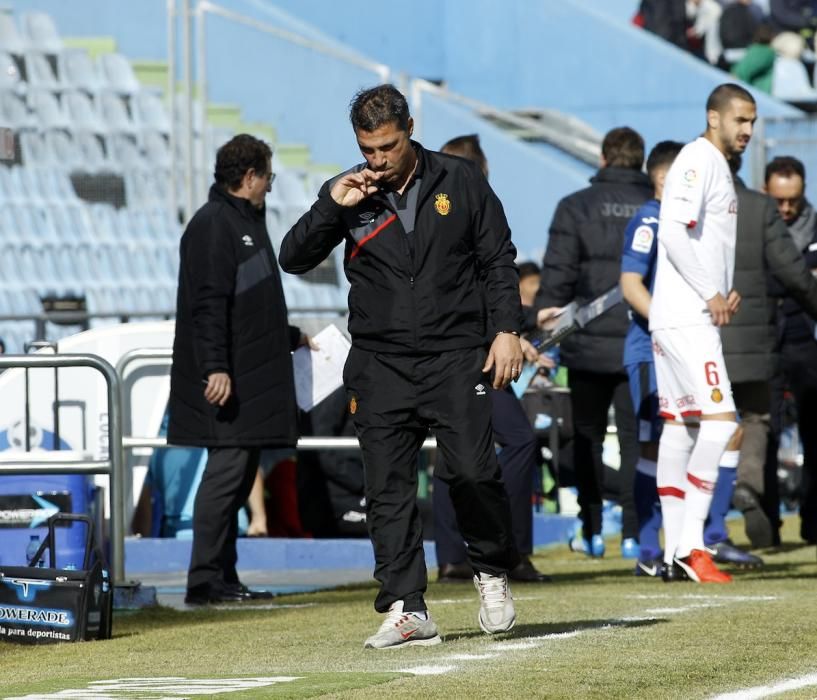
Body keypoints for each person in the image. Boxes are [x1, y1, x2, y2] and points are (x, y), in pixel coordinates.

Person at [279, 85, 523, 649]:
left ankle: (490, 571)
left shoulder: (460, 180)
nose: (378, 161)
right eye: (368, 149)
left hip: (457, 355)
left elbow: (497, 260)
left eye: (387, 147)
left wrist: (507, 330)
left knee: (471, 473)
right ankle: (407, 606)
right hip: (381, 363)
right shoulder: (346, 192)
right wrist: (329, 207)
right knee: (386, 489)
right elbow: (293, 258)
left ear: (409, 128)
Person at [168, 134, 309, 605]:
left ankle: (223, 578)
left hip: (246, 378)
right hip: (228, 382)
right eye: (268, 176)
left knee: (236, 478)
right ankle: (204, 581)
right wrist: (215, 368)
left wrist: (288, 337)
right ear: (249, 177)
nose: (270, 185)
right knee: (226, 479)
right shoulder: (214, 226)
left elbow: (247, 308)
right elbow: (207, 306)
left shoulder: (242, 222)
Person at [432, 134, 551, 585]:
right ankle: (512, 550)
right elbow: (487, 282)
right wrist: (509, 335)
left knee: (450, 451)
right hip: (472, 351)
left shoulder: (435, 210)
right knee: (518, 439)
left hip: (450, 348)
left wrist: (530, 319)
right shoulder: (470, 206)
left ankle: (451, 556)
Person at [650, 83, 757, 584]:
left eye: (753, 122)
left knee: (681, 426)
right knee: (720, 424)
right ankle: (694, 546)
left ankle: (673, 551)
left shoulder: (714, 164)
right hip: (689, 316)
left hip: (677, 313)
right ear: (715, 117)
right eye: (741, 120)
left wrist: (723, 287)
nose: (748, 131)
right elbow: (672, 232)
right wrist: (712, 291)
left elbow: (702, 240)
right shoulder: (698, 159)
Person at [538, 126, 651, 559]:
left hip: (586, 343)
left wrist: (544, 323)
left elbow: (557, 280)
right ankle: (633, 532)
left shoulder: (574, 207)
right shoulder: (654, 207)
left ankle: (591, 530)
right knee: (634, 439)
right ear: (640, 162)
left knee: (586, 438)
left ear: (602, 159)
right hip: (640, 339)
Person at [621, 140, 685, 577]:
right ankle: (649, 548)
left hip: (684, 349)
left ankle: (686, 544)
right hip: (651, 351)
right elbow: (630, 283)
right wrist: (665, 326)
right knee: (653, 446)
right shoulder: (649, 219)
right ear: (664, 177)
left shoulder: (684, 221)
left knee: (689, 441)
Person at [764, 156, 817, 544]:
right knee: (764, 430)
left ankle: (813, 520)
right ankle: (766, 525)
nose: (785, 209)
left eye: (793, 201)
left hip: (805, 339)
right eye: (779, 200)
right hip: (764, 338)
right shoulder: (752, 229)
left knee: (814, 432)